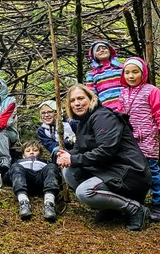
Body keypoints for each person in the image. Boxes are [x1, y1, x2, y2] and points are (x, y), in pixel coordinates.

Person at [57, 84, 151, 231]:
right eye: (73, 100)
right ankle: (111, 206)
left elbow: (106, 151)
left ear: (91, 98)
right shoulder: (83, 122)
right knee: (68, 169)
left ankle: (134, 208)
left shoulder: (103, 116)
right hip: (109, 170)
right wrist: (66, 156)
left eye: (81, 98)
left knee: (84, 192)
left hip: (130, 173)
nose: (77, 103)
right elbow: (79, 149)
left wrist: (74, 159)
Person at [118, 57, 160, 222]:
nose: (131, 76)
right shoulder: (123, 93)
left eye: (135, 72)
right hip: (130, 140)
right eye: (127, 72)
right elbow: (120, 116)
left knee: (152, 172)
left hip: (148, 138)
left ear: (143, 73)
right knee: (133, 172)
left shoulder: (151, 90)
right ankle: (135, 203)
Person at [7, 140, 60, 221]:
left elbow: (55, 176)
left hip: (42, 181)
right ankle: (23, 202)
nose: (31, 153)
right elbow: (8, 176)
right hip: (25, 181)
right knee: (16, 167)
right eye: (28, 151)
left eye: (35, 150)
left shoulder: (46, 163)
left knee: (52, 166)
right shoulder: (18, 163)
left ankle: (49, 203)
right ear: (23, 155)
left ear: (41, 154)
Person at [85, 40, 123, 110]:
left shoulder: (121, 68)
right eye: (98, 50)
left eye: (104, 48)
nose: (102, 50)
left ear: (110, 51)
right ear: (94, 55)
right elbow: (91, 95)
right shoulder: (92, 75)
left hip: (126, 106)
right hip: (107, 110)